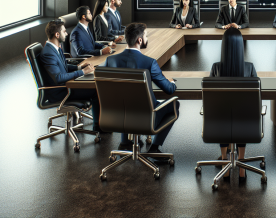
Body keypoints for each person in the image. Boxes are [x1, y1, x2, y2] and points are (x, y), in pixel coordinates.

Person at [103, 23, 180, 157]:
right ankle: (154, 148)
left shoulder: (110, 61)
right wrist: (172, 83)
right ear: (139, 40)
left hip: (116, 117)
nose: (146, 39)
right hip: (146, 119)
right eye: (146, 36)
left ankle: (125, 142)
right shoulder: (149, 63)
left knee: (124, 98)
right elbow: (168, 90)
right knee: (174, 104)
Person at [209, 28, 257, 181]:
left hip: (219, 123)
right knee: (242, 114)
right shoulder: (249, 68)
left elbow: (211, 99)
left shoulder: (216, 68)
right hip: (245, 123)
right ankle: (242, 168)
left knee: (222, 114)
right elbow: (255, 100)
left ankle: (225, 164)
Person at [39, 20, 101, 131]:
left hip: (65, 87)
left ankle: (99, 123)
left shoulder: (55, 48)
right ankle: (98, 126)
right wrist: (83, 72)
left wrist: (79, 67)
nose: (67, 34)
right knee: (96, 90)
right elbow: (58, 78)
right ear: (57, 35)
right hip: (60, 92)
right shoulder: (48, 53)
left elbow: (63, 66)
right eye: (64, 31)